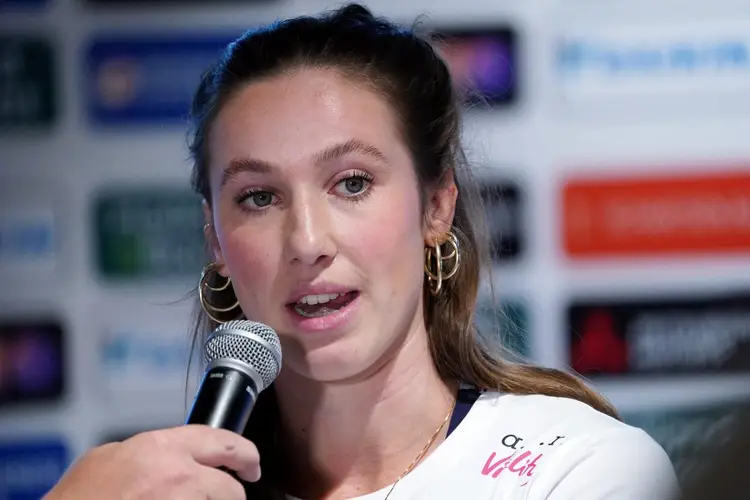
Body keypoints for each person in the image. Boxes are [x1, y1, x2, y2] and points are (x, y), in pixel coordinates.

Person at [44, 4, 678, 500]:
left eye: (351, 184)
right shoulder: (160, 489)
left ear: (436, 208)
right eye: (259, 197)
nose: (307, 242)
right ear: (214, 238)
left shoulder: (580, 469)